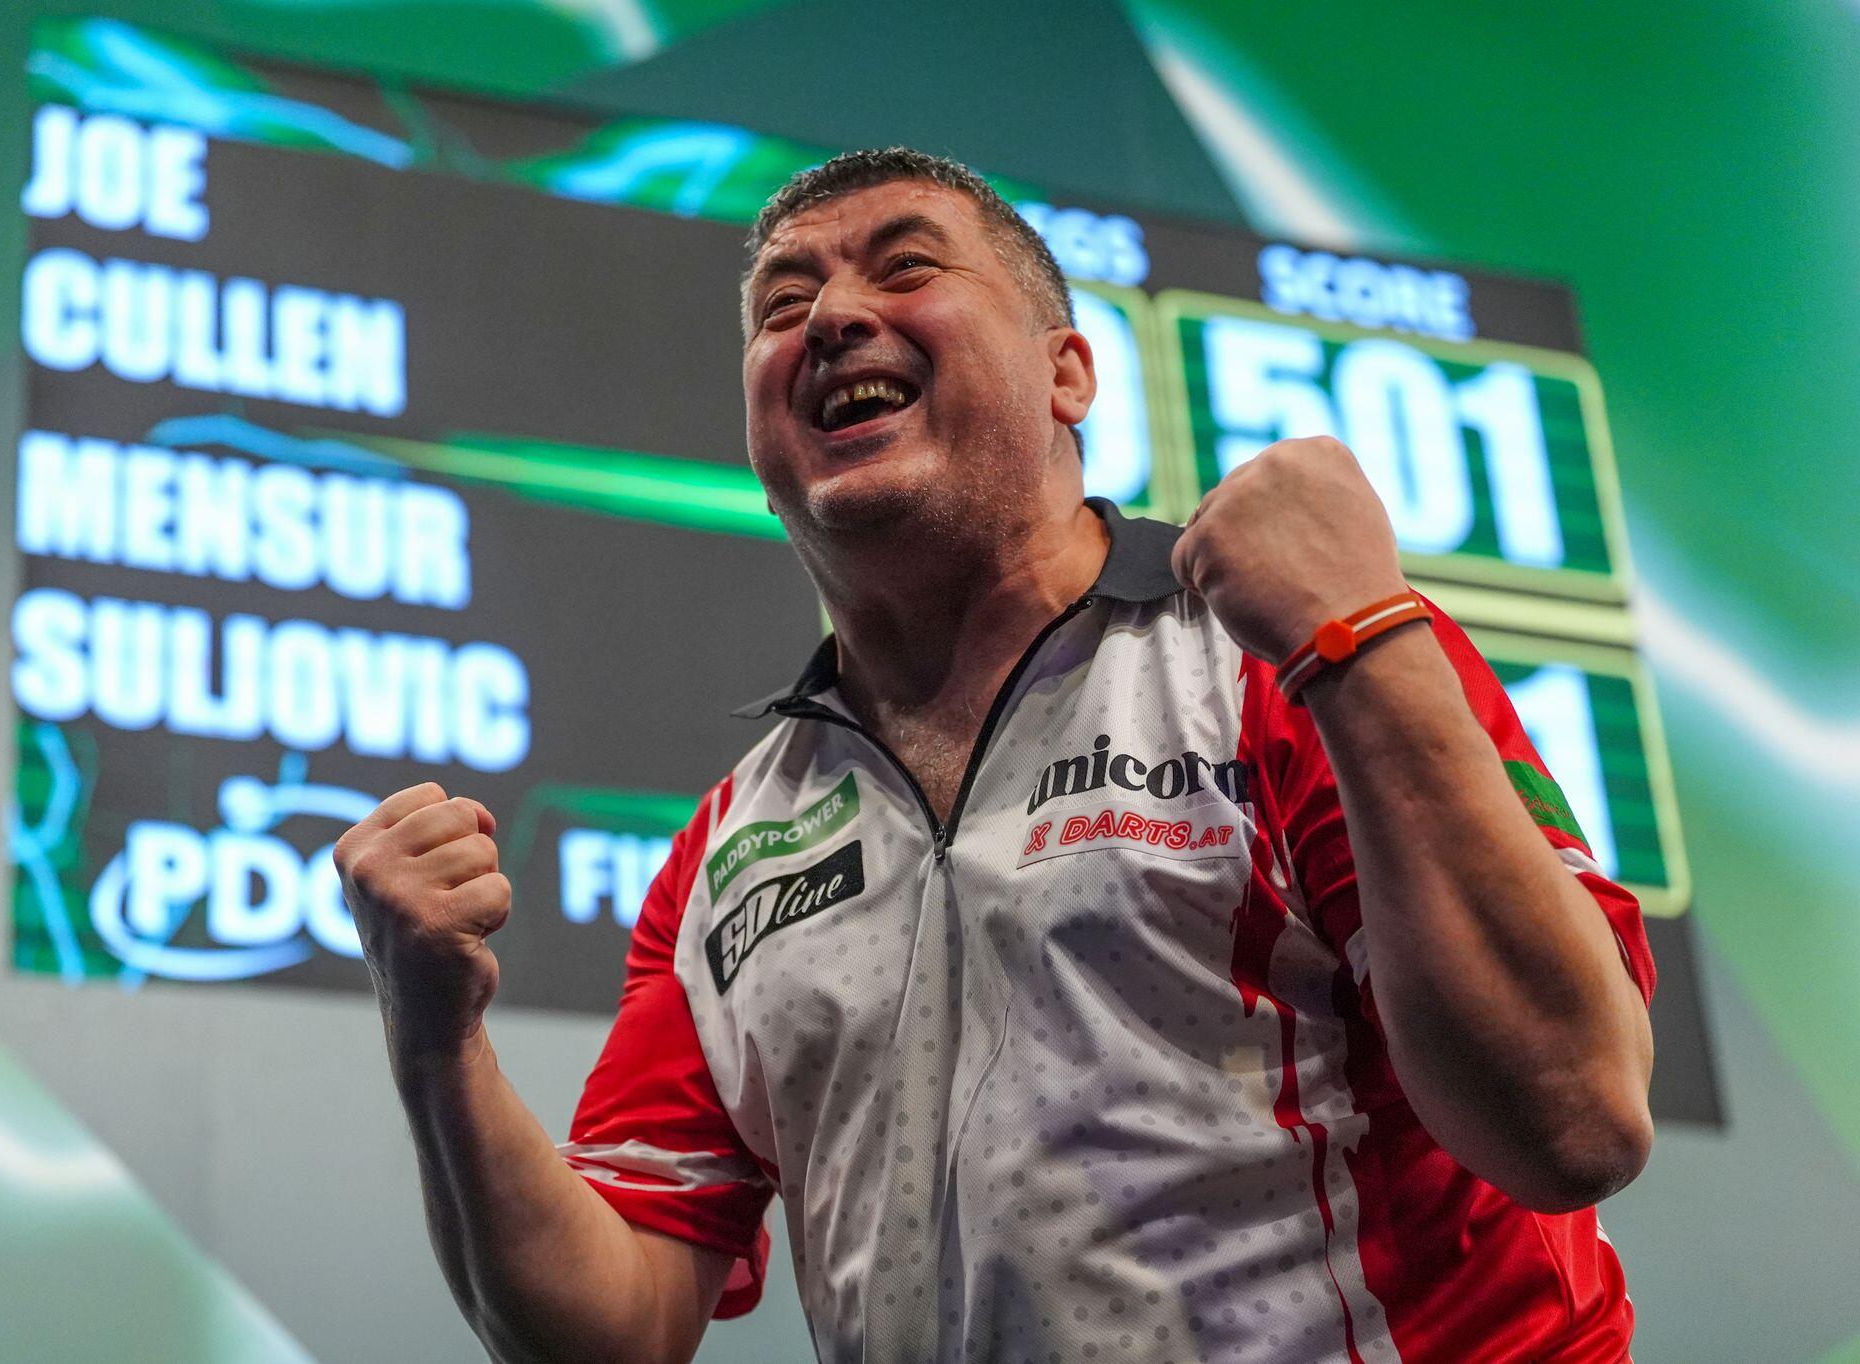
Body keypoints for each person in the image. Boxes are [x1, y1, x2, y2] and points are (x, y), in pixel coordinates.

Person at [332, 149, 1656, 1363]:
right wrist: (433, 1041)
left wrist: (1359, 640)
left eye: (905, 266)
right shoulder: (725, 857)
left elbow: (1575, 1120)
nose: (832, 317)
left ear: (1068, 374)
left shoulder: (1281, 659)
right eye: (784, 303)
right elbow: (607, 1333)